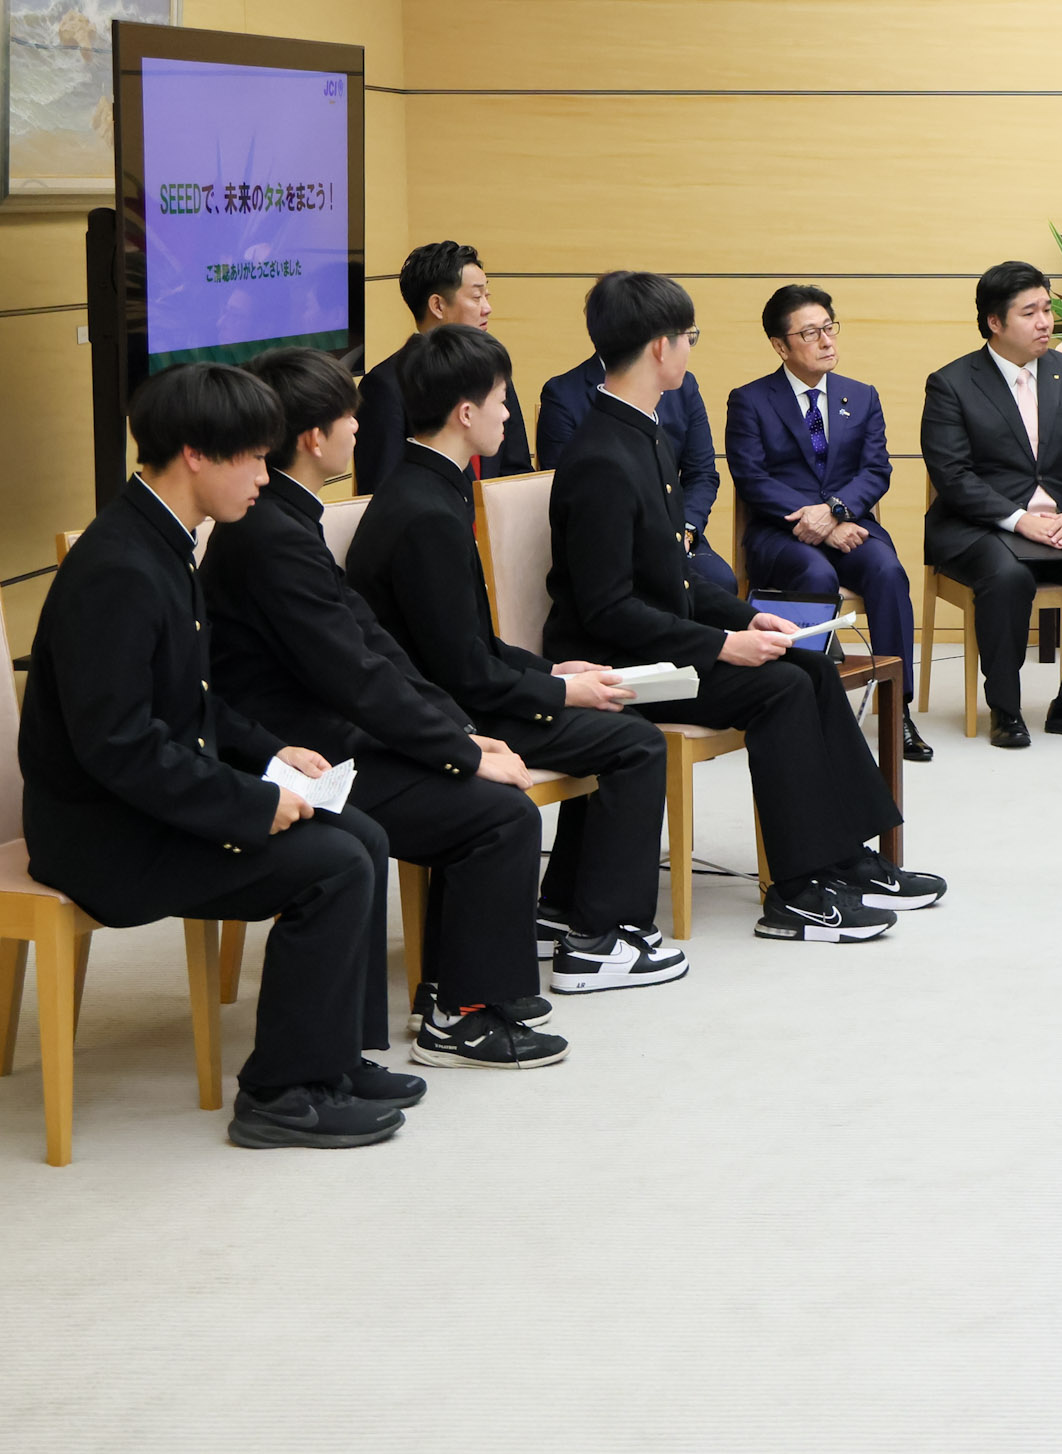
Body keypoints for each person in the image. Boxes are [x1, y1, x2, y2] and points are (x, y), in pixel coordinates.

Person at [19, 364, 403, 1148]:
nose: (266, 477)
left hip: (141, 805)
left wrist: (273, 754)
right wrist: (255, 803)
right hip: (103, 836)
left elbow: (192, 701)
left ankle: (329, 1058)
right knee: (331, 864)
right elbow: (118, 746)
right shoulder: (121, 568)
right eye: (252, 459)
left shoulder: (164, 541)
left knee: (359, 834)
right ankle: (279, 1094)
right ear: (195, 453)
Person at [546, 271, 941, 939]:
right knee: (781, 688)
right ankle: (796, 892)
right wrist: (722, 645)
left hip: (658, 641)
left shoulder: (639, 434)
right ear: (659, 348)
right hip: (618, 666)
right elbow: (609, 610)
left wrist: (742, 615)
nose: (692, 351)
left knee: (811, 668)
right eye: (690, 338)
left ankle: (842, 857)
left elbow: (670, 576)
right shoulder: (603, 457)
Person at [205, 348, 570, 1071]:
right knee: (497, 816)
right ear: (315, 438)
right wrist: (463, 750)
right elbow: (354, 677)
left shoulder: (286, 516)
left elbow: (370, 645)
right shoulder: (270, 534)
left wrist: (459, 735)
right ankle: (459, 1014)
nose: (360, 426)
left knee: (485, 796)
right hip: (295, 757)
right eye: (349, 416)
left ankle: (460, 994)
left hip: (326, 732)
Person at [347, 323, 688, 997]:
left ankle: (566, 910)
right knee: (635, 744)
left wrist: (552, 673)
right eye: (502, 400)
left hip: (455, 690)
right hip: (448, 714)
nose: (509, 413)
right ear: (465, 413)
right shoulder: (427, 515)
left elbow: (467, 643)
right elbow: (462, 674)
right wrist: (563, 697)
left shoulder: (424, 487)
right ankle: (602, 938)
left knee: (616, 724)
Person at [921, 260, 1062, 748]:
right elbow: (953, 476)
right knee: (1007, 577)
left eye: (1047, 308)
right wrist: (1019, 520)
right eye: (1030, 312)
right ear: (995, 322)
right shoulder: (951, 384)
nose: (1045, 321)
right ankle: (1005, 708)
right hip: (984, 526)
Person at [723, 283, 929, 761]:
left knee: (887, 571)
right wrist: (818, 521)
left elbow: (877, 470)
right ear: (780, 345)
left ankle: (898, 710)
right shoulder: (750, 400)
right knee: (816, 575)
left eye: (829, 327)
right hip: (780, 534)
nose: (826, 341)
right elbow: (752, 478)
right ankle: (813, 707)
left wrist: (834, 513)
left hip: (850, 525)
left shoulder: (861, 396)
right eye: (811, 333)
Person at [536, 340, 734, 594]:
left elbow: (702, 474)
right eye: (685, 336)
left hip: (677, 532)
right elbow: (565, 489)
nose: (687, 347)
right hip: (607, 541)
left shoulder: (683, 387)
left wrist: (685, 531)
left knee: (720, 582)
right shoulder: (564, 394)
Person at [354, 240, 531, 492]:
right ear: (437, 305)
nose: (487, 309)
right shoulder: (386, 385)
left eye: (487, 296)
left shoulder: (493, 372)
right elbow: (382, 489)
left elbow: (517, 470)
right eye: (476, 297)